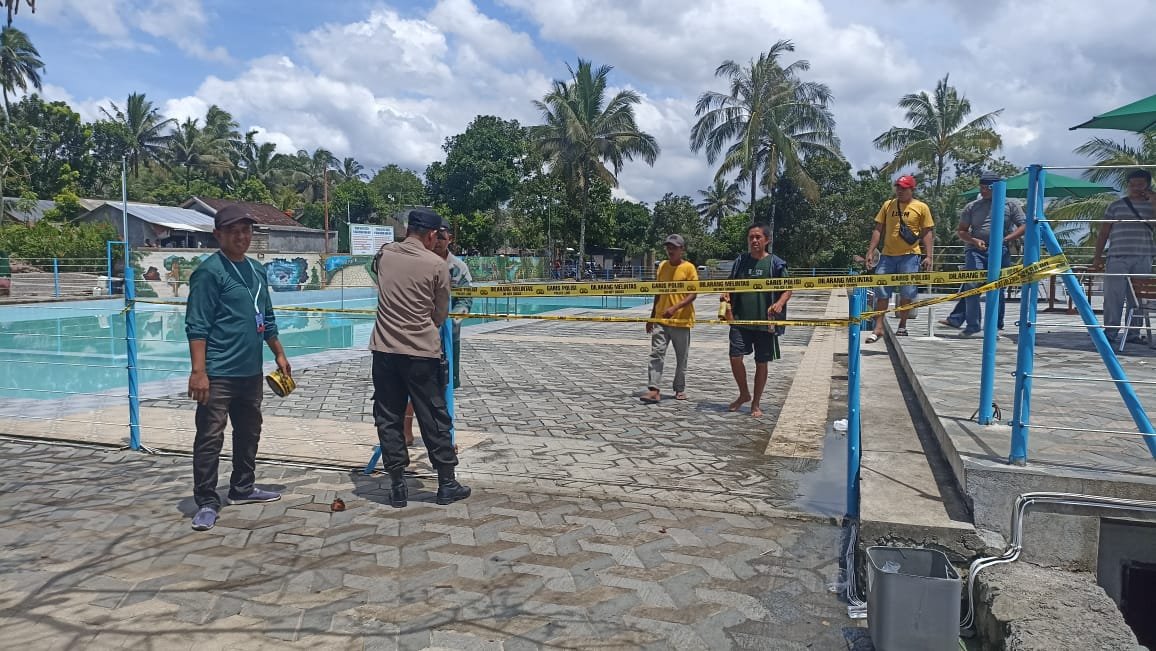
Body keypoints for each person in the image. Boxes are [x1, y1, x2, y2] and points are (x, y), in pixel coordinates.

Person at [185, 205, 291, 532]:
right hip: (218, 373)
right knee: (210, 437)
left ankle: (243, 487)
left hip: (250, 372)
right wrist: (199, 372)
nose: (241, 236)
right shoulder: (209, 273)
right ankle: (206, 501)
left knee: (249, 432)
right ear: (218, 235)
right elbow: (197, 325)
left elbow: (267, 317)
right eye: (233, 231)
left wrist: (279, 354)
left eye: (246, 230)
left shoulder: (256, 270)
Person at [371, 208, 470, 508]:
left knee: (388, 417)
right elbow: (440, 313)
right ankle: (446, 483)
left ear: (408, 229)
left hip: (385, 351)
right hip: (421, 354)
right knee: (434, 417)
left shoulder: (385, 255)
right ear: (432, 234)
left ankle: (397, 485)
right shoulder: (437, 265)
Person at [403, 217, 473, 445]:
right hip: (419, 336)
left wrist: (450, 322)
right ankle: (407, 427)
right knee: (415, 383)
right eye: (436, 236)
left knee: (445, 385)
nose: (439, 241)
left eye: (443, 237)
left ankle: (445, 436)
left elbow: (465, 301)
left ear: (450, 239)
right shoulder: (418, 262)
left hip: (447, 338)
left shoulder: (458, 269)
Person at [938, 171, 1026, 335]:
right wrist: (974, 241)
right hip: (976, 249)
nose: (982, 190)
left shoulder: (1011, 205)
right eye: (981, 187)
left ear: (995, 187)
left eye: (986, 187)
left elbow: (1024, 225)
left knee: (997, 287)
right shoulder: (972, 206)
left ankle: (995, 325)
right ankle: (972, 325)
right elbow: (962, 231)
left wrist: (1006, 239)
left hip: (1001, 249)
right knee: (972, 284)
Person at [721, 224, 791, 418]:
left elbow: (788, 288)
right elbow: (730, 283)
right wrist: (726, 294)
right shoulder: (740, 261)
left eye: (758, 237)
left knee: (762, 362)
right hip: (740, 320)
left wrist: (779, 303)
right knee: (735, 357)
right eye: (751, 237)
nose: (754, 240)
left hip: (765, 322)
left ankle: (756, 403)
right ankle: (744, 393)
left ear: (767, 240)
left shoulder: (775, 264)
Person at [865, 175, 935, 342]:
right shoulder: (888, 205)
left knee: (907, 291)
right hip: (887, 255)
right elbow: (878, 229)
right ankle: (878, 327)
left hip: (910, 256)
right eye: (898, 187)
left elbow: (927, 232)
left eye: (904, 188)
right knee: (881, 291)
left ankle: (902, 325)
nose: (900, 191)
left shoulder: (921, 207)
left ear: (912, 189)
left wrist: (929, 256)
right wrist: (870, 251)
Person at [1092, 169, 1156, 344]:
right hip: (1117, 255)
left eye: (1140, 184)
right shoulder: (1115, 205)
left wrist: (1153, 200)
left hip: (1143, 255)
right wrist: (1097, 257)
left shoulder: (1152, 205)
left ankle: (1133, 333)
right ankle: (1110, 332)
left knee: (1138, 297)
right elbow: (1104, 232)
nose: (1136, 188)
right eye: (1132, 184)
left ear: (1147, 185)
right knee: (1113, 295)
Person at [640, 234, 698, 404]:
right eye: (668, 247)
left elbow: (693, 294)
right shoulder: (662, 266)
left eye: (674, 247)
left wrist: (675, 308)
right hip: (661, 320)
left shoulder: (689, 268)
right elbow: (658, 293)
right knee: (656, 353)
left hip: (681, 320)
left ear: (682, 249)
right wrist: (652, 317)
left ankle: (679, 388)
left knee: (682, 357)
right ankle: (654, 389)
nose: (670, 250)